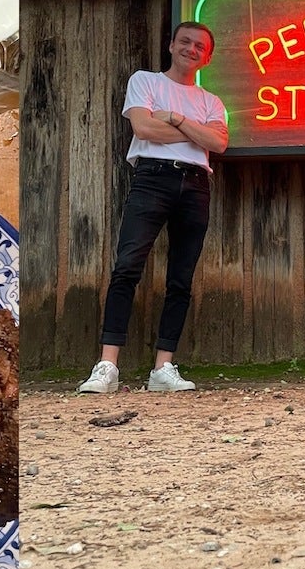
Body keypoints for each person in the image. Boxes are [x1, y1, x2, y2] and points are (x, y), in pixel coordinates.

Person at [77, 21, 229, 393]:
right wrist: (198, 133)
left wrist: (176, 119)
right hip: (152, 178)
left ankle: (163, 368)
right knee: (127, 266)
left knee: (181, 278)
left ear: (206, 57)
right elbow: (144, 130)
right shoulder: (145, 81)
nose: (191, 50)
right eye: (185, 42)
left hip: (195, 185)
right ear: (172, 45)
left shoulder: (212, 101)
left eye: (200, 47)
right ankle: (107, 366)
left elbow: (219, 144)